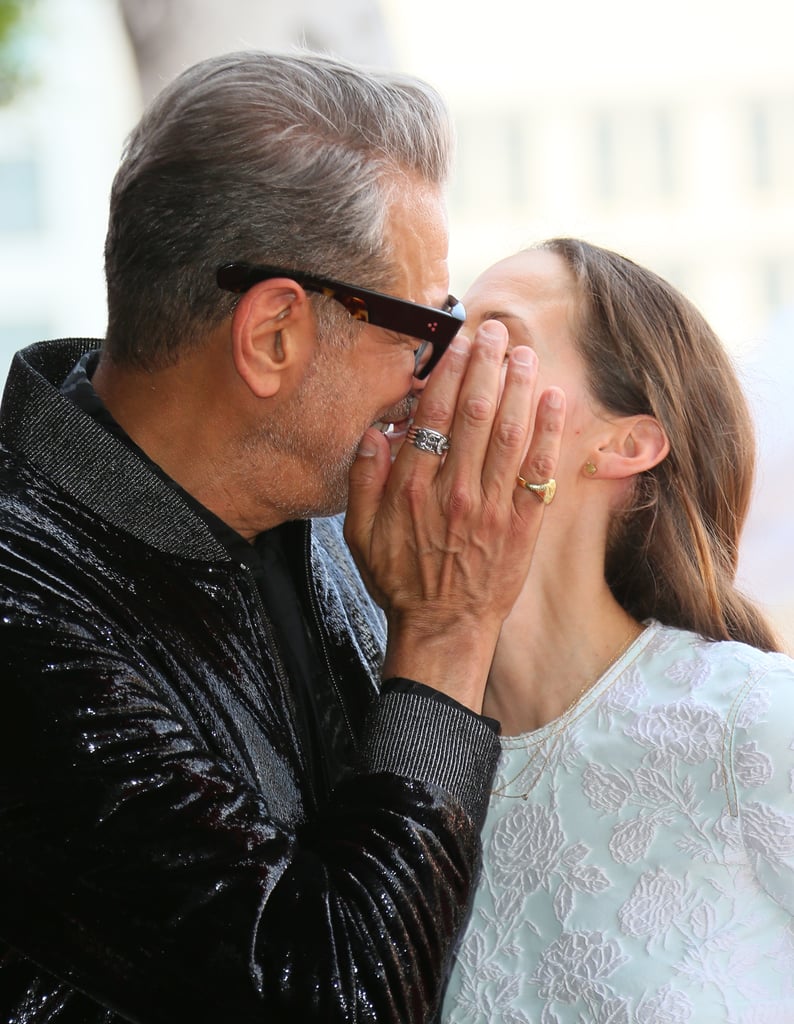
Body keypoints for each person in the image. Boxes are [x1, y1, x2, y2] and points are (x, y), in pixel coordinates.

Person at [0, 52, 566, 1024]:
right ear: (272, 335)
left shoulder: (323, 521)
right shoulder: (25, 599)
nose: (437, 374)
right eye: (423, 322)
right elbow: (331, 997)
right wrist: (446, 633)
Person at [440, 238, 794, 1023]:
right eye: (447, 323)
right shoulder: (380, 753)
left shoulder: (755, 725)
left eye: (495, 334)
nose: (435, 358)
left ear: (624, 443)